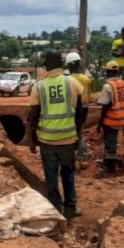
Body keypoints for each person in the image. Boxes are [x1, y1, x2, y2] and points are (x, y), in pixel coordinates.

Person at [28, 50, 84, 220]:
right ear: (61, 65)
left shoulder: (39, 86)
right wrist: (77, 135)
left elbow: (33, 116)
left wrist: (32, 140)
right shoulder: (73, 83)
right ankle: (70, 207)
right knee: (68, 174)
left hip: (47, 141)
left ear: (46, 67)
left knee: (51, 175)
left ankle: (55, 208)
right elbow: (80, 114)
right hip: (68, 138)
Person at [96, 61, 124, 176]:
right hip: (121, 118)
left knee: (110, 143)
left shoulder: (108, 86)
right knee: (111, 141)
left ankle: (110, 166)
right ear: (117, 72)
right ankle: (107, 162)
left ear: (107, 73)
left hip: (111, 119)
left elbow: (105, 105)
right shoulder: (122, 83)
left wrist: (100, 122)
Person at [65, 52, 92, 160]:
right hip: (84, 108)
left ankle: (71, 152)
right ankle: (82, 152)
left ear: (69, 65)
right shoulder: (86, 79)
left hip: (71, 108)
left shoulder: (66, 80)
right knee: (80, 130)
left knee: (70, 131)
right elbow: (89, 95)